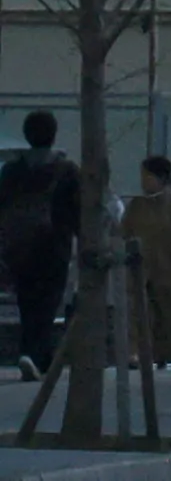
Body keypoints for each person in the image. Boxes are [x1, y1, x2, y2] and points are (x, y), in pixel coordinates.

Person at [0, 111, 80, 382]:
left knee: (27, 302)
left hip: (19, 248)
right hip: (54, 247)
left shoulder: (11, 171)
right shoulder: (67, 171)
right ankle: (36, 356)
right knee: (48, 303)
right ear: (54, 135)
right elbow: (78, 211)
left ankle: (34, 355)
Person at [119, 156, 171, 366]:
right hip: (139, 272)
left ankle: (167, 354)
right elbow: (124, 232)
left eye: (147, 176)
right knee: (137, 314)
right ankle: (136, 353)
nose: (143, 181)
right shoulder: (137, 205)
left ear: (160, 178)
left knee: (167, 317)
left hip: (168, 274)